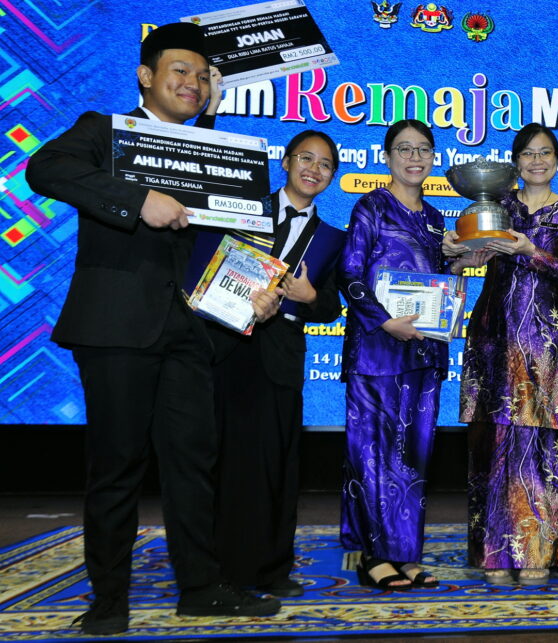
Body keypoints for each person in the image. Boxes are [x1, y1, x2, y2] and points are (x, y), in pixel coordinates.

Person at [24, 23, 280, 635]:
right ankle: (108, 601)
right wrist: (137, 200)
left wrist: (256, 292)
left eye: (203, 76)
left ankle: (201, 588)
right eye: (180, 71)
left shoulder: (216, 151)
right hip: (116, 328)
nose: (193, 83)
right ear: (146, 75)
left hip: (191, 333)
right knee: (116, 467)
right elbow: (44, 168)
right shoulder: (103, 131)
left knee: (193, 464)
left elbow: (234, 240)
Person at [338, 119, 479, 590]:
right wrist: (383, 321)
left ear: (434, 157)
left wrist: (462, 263)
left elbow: (440, 284)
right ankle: (373, 557)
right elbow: (348, 274)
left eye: (423, 149)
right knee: (371, 453)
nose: (414, 157)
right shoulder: (371, 207)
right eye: (404, 148)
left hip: (423, 354)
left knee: (413, 456)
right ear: (387, 157)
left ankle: (405, 553)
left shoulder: (437, 219)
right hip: (376, 350)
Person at [445, 124, 558, 585]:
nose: (537, 161)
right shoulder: (496, 206)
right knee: (492, 445)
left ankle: (536, 553)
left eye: (545, 153)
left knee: (543, 446)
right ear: (515, 162)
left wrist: (530, 251)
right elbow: (471, 261)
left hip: (544, 341)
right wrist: (458, 257)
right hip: (493, 335)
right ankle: (495, 555)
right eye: (528, 153)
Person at [210, 130, 344, 597]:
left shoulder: (331, 238)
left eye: (325, 164)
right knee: (226, 461)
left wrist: (309, 297)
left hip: (281, 356)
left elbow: (331, 306)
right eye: (306, 158)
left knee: (278, 466)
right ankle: (222, 566)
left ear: (332, 177)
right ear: (285, 162)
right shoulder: (244, 210)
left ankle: (272, 568)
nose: (314, 169)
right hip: (225, 349)